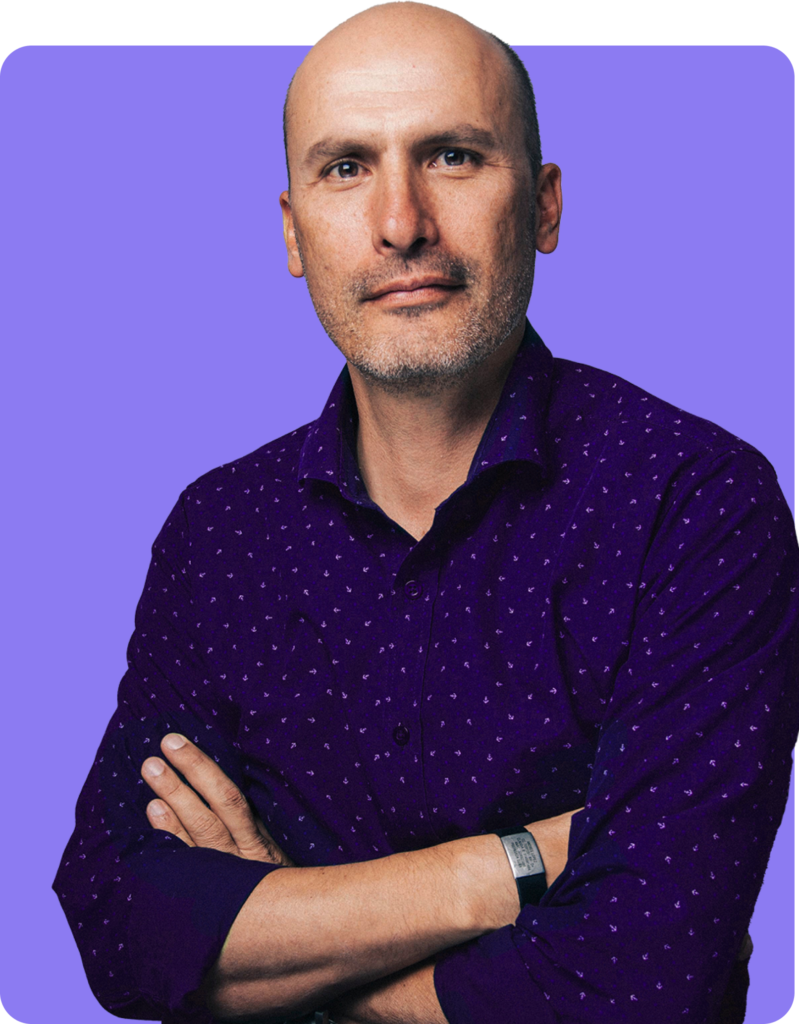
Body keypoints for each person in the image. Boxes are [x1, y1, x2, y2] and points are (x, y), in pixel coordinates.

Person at [51, 9, 797, 1024]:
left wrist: (281, 953)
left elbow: (636, 984)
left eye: (451, 155)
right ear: (291, 232)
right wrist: (508, 870)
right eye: (346, 168)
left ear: (542, 206)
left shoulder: (694, 504)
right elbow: (119, 923)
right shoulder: (216, 530)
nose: (401, 223)